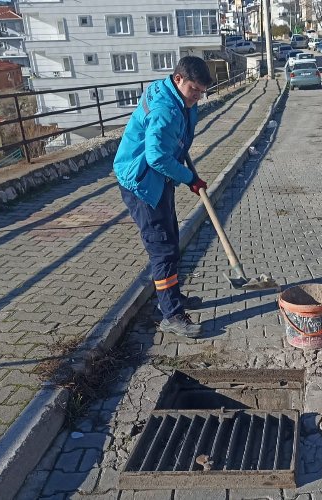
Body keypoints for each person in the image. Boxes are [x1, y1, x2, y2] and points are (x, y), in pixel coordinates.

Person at [113, 56, 212, 339]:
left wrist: (179, 153)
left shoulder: (176, 96)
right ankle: (170, 315)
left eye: (202, 92)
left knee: (171, 240)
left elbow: (172, 139)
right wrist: (190, 179)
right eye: (194, 89)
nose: (198, 97)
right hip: (142, 182)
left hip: (158, 178)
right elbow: (156, 156)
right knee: (162, 249)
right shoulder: (165, 108)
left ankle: (173, 298)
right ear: (178, 79)